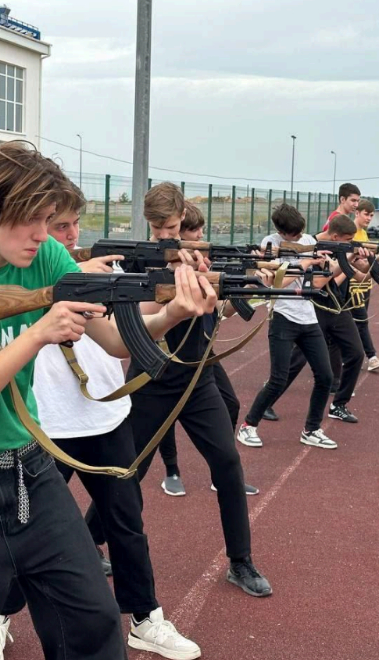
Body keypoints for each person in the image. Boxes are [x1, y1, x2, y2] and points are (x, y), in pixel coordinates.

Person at [0, 141, 213, 660]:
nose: (45, 235)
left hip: (30, 470)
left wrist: (175, 311)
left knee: (93, 624)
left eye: (49, 219)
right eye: (32, 220)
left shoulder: (45, 256)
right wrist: (37, 334)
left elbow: (113, 341)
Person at [0, 189, 201, 660]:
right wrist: (68, 281)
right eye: (60, 228)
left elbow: (131, 334)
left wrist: (175, 308)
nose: (71, 236)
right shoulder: (29, 274)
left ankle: (144, 617)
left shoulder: (110, 273)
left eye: (75, 226)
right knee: (24, 533)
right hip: (48, 424)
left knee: (127, 525)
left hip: (106, 418)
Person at [87, 183, 273, 597]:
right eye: (158, 231)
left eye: (173, 228)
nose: (166, 237)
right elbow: (136, 317)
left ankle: (240, 561)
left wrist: (236, 290)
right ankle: (89, 541)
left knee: (227, 463)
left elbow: (218, 312)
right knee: (127, 472)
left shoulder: (200, 253)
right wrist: (172, 286)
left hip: (197, 379)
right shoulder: (138, 258)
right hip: (152, 381)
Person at [158, 201, 259, 499]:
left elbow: (217, 310)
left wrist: (250, 288)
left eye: (202, 231)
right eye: (194, 232)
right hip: (169, 357)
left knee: (231, 403)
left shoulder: (203, 264)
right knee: (165, 418)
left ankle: (223, 474)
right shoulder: (169, 269)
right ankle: (172, 472)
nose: (201, 237)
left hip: (203, 354)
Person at [237, 203, 340, 450]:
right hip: (282, 316)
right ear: (281, 232)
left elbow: (314, 284)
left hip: (308, 316)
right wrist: (304, 263)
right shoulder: (269, 245)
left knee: (325, 376)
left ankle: (312, 429)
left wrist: (335, 266)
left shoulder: (308, 242)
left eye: (299, 233)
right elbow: (275, 283)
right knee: (278, 379)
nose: (297, 237)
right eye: (292, 235)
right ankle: (248, 425)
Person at [282, 214, 379, 424]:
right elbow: (319, 282)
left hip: (337, 308)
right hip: (316, 307)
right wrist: (348, 260)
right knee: (296, 361)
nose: (349, 244)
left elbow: (361, 273)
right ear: (335, 237)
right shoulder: (311, 245)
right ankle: (267, 402)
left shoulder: (338, 247)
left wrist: (376, 260)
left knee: (356, 353)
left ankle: (339, 404)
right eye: (347, 241)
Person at [351, 199, 379, 372]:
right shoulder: (351, 233)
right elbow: (357, 262)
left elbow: (367, 261)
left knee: (356, 323)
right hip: (353, 285)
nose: (369, 218)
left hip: (365, 284)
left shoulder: (363, 234)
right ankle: (371, 357)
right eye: (366, 214)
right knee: (361, 321)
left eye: (371, 215)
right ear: (357, 213)